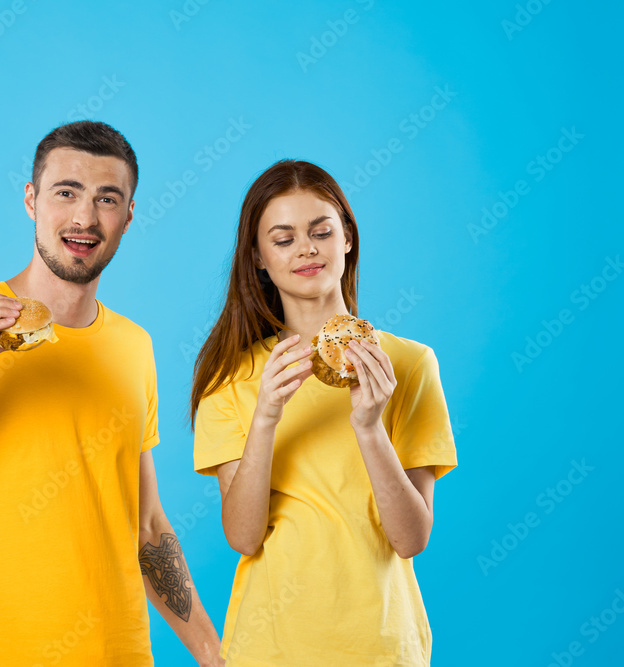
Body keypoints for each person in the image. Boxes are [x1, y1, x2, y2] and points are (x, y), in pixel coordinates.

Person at [0, 120, 224, 666]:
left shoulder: (134, 346)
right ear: (31, 200)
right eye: (66, 192)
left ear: (128, 217)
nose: (84, 217)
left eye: (107, 199)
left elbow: (146, 524)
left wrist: (214, 653)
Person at [190, 159, 458, 666]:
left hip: (382, 647)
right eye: (284, 238)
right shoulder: (232, 379)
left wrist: (369, 427)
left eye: (321, 231)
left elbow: (410, 538)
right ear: (259, 259)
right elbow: (243, 537)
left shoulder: (409, 365)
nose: (307, 249)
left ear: (348, 238)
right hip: (269, 648)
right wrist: (266, 416)